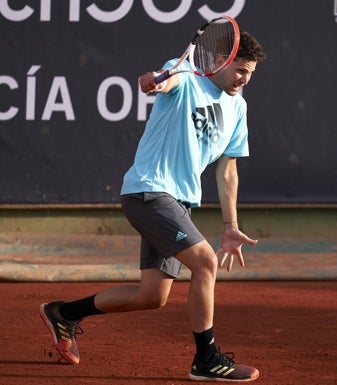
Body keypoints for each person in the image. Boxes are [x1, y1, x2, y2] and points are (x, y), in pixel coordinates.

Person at [39, 29, 266, 382]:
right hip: (149, 192)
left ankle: (63, 313)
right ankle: (206, 359)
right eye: (240, 70)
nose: (245, 79)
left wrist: (230, 226)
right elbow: (164, 83)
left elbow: (228, 170)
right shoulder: (186, 78)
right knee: (205, 262)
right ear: (220, 61)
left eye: (251, 72)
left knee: (152, 295)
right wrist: (154, 82)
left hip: (178, 201)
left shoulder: (238, 107)